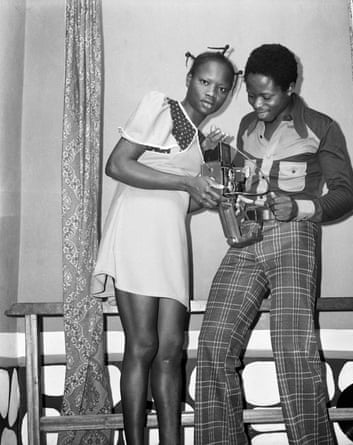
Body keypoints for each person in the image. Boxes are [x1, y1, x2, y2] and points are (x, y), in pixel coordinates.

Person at [194, 43, 353, 445]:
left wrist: (299, 208)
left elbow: (345, 195)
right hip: (246, 238)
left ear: (290, 87)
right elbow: (237, 186)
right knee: (213, 345)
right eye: (250, 94)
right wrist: (213, 159)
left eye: (266, 95)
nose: (256, 103)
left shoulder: (322, 126)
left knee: (292, 348)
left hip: (294, 237)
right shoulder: (247, 125)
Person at [91, 48, 238, 445]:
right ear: (189, 77)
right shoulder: (163, 107)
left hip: (169, 238)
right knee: (143, 344)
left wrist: (204, 195)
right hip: (137, 228)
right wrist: (188, 183)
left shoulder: (201, 139)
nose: (213, 92)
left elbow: (181, 200)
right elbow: (118, 165)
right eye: (205, 81)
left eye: (222, 88)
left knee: (172, 348)